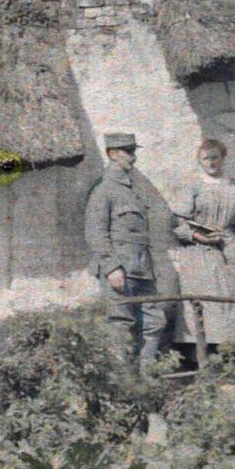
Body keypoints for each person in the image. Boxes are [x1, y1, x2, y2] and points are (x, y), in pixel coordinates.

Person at [171, 138, 235, 354]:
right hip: (200, 251)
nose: (211, 163)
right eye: (206, 158)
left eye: (215, 158)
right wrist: (198, 236)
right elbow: (178, 222)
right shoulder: (193, 185)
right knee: (205, 304)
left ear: (223, 158)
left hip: (228, 250)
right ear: (199, 160)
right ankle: (201, 355)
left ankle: (232, 352)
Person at [84, 133, 176, 365]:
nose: (134, 158)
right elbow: (95, 232)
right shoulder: (103, 189)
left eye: (134, 152)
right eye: (129, 152)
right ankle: (122, 379)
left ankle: (146, 375)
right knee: (120, 323)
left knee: (155, 321)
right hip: (120, 268)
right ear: (113, 154)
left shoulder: (134, 188)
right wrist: (112, 266)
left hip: (143, 268)